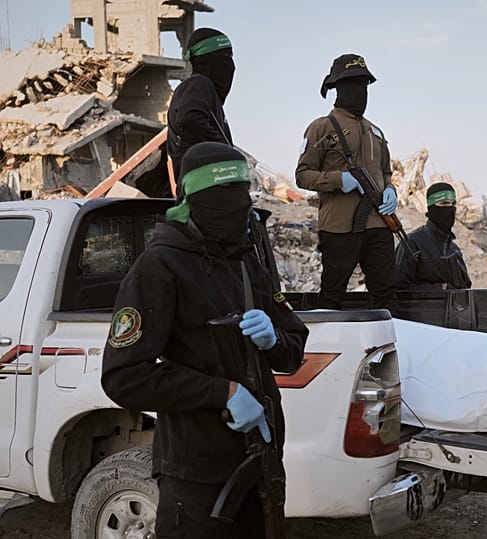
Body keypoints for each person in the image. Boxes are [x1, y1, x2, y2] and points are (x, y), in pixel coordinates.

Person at [101, 142, 308, 538]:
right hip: (196, 474)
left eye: (241, 196)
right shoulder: (160, 267)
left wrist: (274, 340)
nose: (236, 207)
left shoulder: (247, 261)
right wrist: (223, 393)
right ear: (194, 200)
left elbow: (293, 347)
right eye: (222, 198)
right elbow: (123, 377)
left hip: (261, 461)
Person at [295, 53, 398, 313]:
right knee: (332, 295)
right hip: (339, 227)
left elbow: (386, 172)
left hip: (378, 225)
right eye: (353, 84)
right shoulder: (321, 127)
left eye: (364, 85)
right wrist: (339, 179)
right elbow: (303, 174)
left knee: (386, 296)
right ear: (337, 88)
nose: (360, 91)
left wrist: (390, 191)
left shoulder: (377, 132)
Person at [167, 27, 236, 195]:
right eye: (226, 57)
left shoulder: (206, 93)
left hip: (203, 194)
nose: (231, 65)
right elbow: (189, 119)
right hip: (203, 195)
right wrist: (224, 150)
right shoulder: (199, 83)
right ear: (209, 61)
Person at [394, 182, 472, 290]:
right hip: (422, 307)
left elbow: (465, 288)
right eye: (444, 203)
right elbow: (399, 287)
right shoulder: (412, 244)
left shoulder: (454, 250)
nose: (449, 208)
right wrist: (439, 288)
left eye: (452, 204)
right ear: (431, 207)